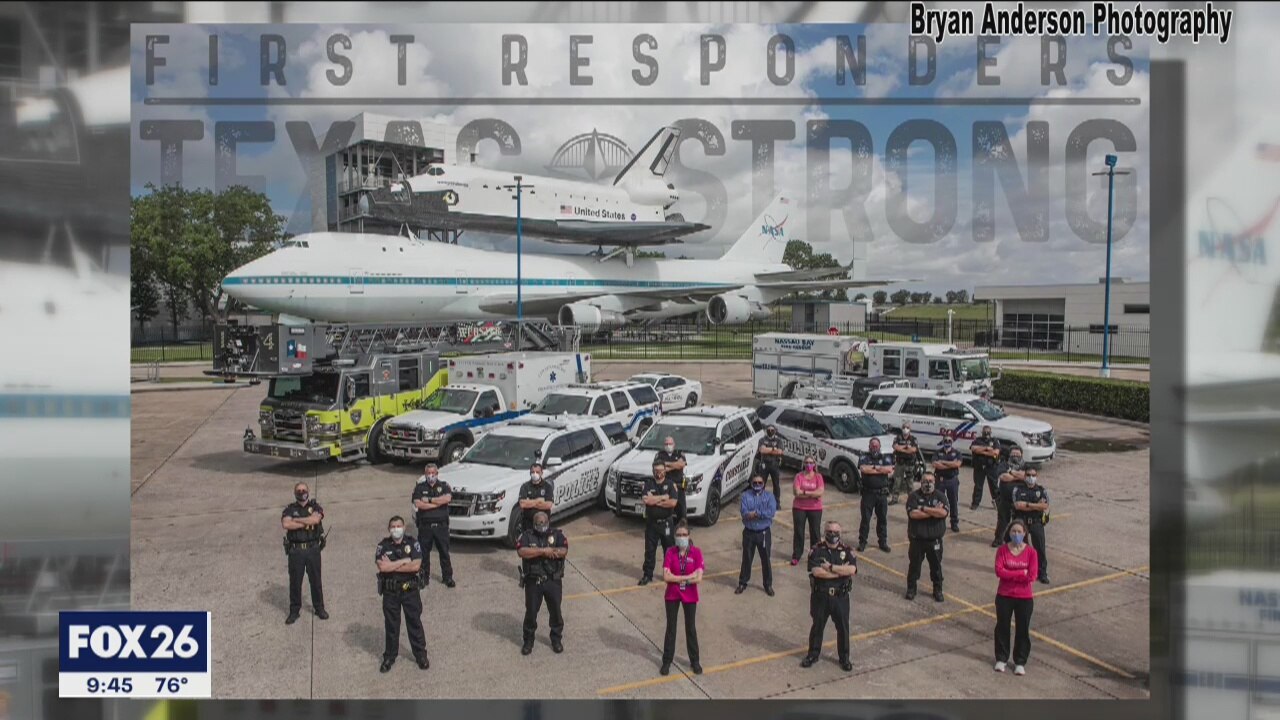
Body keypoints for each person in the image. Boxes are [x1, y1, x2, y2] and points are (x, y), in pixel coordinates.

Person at [801, 520, 857, 672]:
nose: (832, 535)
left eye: (835, 532)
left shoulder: (848, 550)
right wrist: (839, 572)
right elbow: (817, 572)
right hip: (821, 596)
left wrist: (831, 568)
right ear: (824, 532)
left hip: (840, 598)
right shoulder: (816, 550)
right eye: (829, 532)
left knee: (843, 629)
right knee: (817, 626)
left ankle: (844, 658)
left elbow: (852, 570)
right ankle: (813, 654)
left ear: (841, 533)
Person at [375, 516, 428, 672]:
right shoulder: (382, 546)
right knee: (392, 625)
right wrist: (404, 561)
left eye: (399, 526)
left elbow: (416, 566)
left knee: (414, 622)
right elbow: (382, 568)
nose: (396, 529)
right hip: (390, 592)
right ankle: (389, 657)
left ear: (404, 528)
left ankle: (421, 655)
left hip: (410, 591)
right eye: (393, 526)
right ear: (389, 529)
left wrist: (391, 564)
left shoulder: (413, 543)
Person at [515, 510, 568, 655]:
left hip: (553, 580)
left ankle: (556, 639)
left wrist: (553, 550)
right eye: (539, 525)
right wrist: (542, 551)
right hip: (534, 582)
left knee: (556, 611)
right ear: (534, 524)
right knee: (531, 612)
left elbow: (563, 550)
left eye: (544, 524)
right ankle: (528, 640)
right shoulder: (527, 536)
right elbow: (522, 551)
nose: (542, 528)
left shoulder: (556, 534)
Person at [993, 519, 1039, 676]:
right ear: (1009, 533)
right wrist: (1020, 573)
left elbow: (1032, 575)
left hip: (1024, 598)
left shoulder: (1031, 553)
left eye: (1019, 532)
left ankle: (1020, 661)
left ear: (1025, 533)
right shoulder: (1002, 551)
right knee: (1002, 627)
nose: (1016, 534)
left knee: (1022, 629)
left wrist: (1010, 574)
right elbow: (999, 571)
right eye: (1013, 531)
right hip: (1004, 596)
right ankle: (1001, 658)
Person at [661, 521, 704, 675]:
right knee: (671, 629)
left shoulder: (696, 553)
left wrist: (677, 577)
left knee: (690, 628)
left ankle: (695, 661)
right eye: (678, 535)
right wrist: (687, 577)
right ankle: (666, 661)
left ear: (689, 536)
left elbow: (698, 578)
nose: (681, 538)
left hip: (690, 595)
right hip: (672, 594)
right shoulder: (670, 552)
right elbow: (666, 577)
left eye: (684, 535)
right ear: (674, 536)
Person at [280, 482, 327, 624]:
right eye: (298, 490)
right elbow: (286, 524)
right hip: (296, 551)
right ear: (295, 493)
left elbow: (316, 519)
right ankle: (294, 611)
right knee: (295, 582)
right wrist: (307, 522)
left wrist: (297, 520)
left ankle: (319, 608)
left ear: (308, 491)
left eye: (304, 490)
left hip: (313, 549)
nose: (301, 492)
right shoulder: (289, 509)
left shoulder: (315, 507)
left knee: (316, 581)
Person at [905, 472, 948, 602]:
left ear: (934, 482)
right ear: (920, 482)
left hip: (934, 540)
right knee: (914, 567)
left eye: (930, 481)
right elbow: (913, 514)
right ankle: (911, 589)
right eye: (925, 481)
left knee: (936, 568)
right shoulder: (913, 496)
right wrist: (933, 511)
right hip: (917, 540)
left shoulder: (940, 496)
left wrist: (923, 508)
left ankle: (937, 590)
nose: (928, 483)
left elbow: (943, 512)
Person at [412, 463, 455, 588]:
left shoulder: (444, 486)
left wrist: (429, 500)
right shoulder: (419, 487)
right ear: (425, 474)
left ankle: (447, 577)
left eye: (433, 473)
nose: (431, 475)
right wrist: (438, 503)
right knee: (424, 554)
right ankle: (424, 578)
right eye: (428, 473)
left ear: (437, 474)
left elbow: (447, 499)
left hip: (441, 526)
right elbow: (419, 504)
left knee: (444, 553)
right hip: (425, 527)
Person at [639, 462, 680, 585]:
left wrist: (655, 500)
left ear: (665, 471)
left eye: (660, 470)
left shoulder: (670, 484)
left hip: (666, 524)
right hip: (652, 524)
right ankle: (647, 575)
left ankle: (670, 574)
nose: (658, 473)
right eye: (656, 470)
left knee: (669, 550)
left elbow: (673, 503)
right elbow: (646, 500)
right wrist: (663, 497)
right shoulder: (648, 484)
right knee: (650, 551)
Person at [736, 475, 777, 595]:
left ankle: (768, 585)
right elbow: (744, 512)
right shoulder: (745, 495)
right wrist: (756, 514)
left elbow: (771, 512)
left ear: (764, 483)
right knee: (747, 559)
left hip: (763, 533)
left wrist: (756, 513)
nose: (757, 484)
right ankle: (742, 582)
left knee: (766, 559)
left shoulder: (769, 496)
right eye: (755, 482)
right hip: (749, 532)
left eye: (760, 482)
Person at [1012, 466, 1051, 584]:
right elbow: (1018, 505)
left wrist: (1027, 505)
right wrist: (1035, 505)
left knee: (1040, 549)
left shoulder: (1041, 490)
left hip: (1036, 523)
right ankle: (1021, 571)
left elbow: (1045, 506)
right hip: (1021, 523)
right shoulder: (1017, 489)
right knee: (1020, 548)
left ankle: (1042, 573)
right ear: (1024, 476)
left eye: (1033, 475)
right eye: (1028, 475)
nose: (1031, 477)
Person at [857, 438, 895, 553]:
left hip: (881, 494)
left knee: (882, 519)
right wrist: (879, 469)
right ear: (869, 446)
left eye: (876, 446)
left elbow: (890, 470)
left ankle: (882, 542)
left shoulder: (885, 457)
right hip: (868, 494)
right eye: (872, 445)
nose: (874, 447)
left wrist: (874, 468)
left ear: (880, 446)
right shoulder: (864, 457)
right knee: (865, 520)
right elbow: (864, 469)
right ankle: (862, 542)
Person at [791, 455, 825, 565]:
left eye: (811, 462)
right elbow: (796, 492)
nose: (809, 465)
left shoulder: (818, 477)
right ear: (803, 464)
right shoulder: (799, 476)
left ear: (814, 464)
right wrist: (812, 494)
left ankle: (815, 556)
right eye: (807, 462)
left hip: (815, 508)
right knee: (799, 532)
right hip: (799, 508)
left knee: (815, 532)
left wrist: (804, 492)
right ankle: (797, 555)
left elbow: (820, 492)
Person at [991, 447, 1027, 548]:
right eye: (1013, 454)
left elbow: (1026, 476)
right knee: (1003, 521)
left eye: (1017, 454)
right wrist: (1018, 476)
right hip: (1005, 499)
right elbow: (1003, 477)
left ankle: (1018, 541)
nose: (1015, 456)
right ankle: (998, 540)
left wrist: (1011, 472)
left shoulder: (1025, 465)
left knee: (1019, 522)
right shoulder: (1003, 464)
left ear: (1022, 455)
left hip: (1020, 501)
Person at [932, 439, 963, 533]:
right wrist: (951, 465)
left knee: (953, 502)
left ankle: (954, 523)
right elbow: (935, 464)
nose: (947, 442)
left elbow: (957, 464)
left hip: (952, 480)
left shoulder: (957, 453)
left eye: (949, 440)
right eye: (946, 440)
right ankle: (937, 522)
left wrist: (943, 462)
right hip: (940, 480)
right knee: (938, 502)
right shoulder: (937, 452)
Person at [654, 436, 689, 521]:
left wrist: (667, 465)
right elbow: (659, 468)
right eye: (666, 444)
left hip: (679, 486)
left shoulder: (679, 453)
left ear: (674, 444)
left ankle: (682, 528)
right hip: (666, 487)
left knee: (682, 511)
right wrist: (675, 465)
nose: (668, 445)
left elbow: (681, 465)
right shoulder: (659, 455)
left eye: (670, 443)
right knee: (665, 511)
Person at [969, 426, 1002, 510]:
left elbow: (995, 453)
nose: (986, 434)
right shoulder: (978, 440)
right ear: (982, 432)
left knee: (994, 486)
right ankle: (975, 503)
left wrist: (981, 452)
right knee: (978, 486)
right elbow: (973, 449)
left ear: (991, 433)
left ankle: (998, 503)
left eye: (988, 432)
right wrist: (987, 448)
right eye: (985, 432)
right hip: (979, 467)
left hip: (991, 467)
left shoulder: (995, 441)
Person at [517, 463, 555, 531]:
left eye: (537, 472)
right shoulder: (525, 486)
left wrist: (529, 502)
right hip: (528, 523)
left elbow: (548, 505)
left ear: (541, 473)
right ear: (530, 473)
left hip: (543, 523)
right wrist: (538, 501)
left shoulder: (547, 487)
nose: (535, 474)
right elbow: (522, 504)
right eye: (532, 472)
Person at [889, 421, 919, 504]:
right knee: (897, 482)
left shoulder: (913, 439)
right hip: (899, 463)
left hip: (910, 464)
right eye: (904, 427)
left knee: (910, 483)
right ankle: (894, 499)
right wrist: (906, 448)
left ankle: (912, 500)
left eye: (907, 427)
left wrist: (902, 449)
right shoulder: (897, 438)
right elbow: (895, 447)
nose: (905, 429)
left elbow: (914, 449)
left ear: (910, 429)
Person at [756, 425, 786, 507]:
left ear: (775, 431)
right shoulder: (762, 440)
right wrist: (773, 449)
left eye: (772, 430)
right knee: (761, 484)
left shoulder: (779, 440)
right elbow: (762, 450)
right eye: (768, 429)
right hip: (764, 465)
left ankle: (777, 503)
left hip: (774, 465)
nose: (770, 431)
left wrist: (768, 449)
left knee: (776, 485)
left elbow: (780, 452)